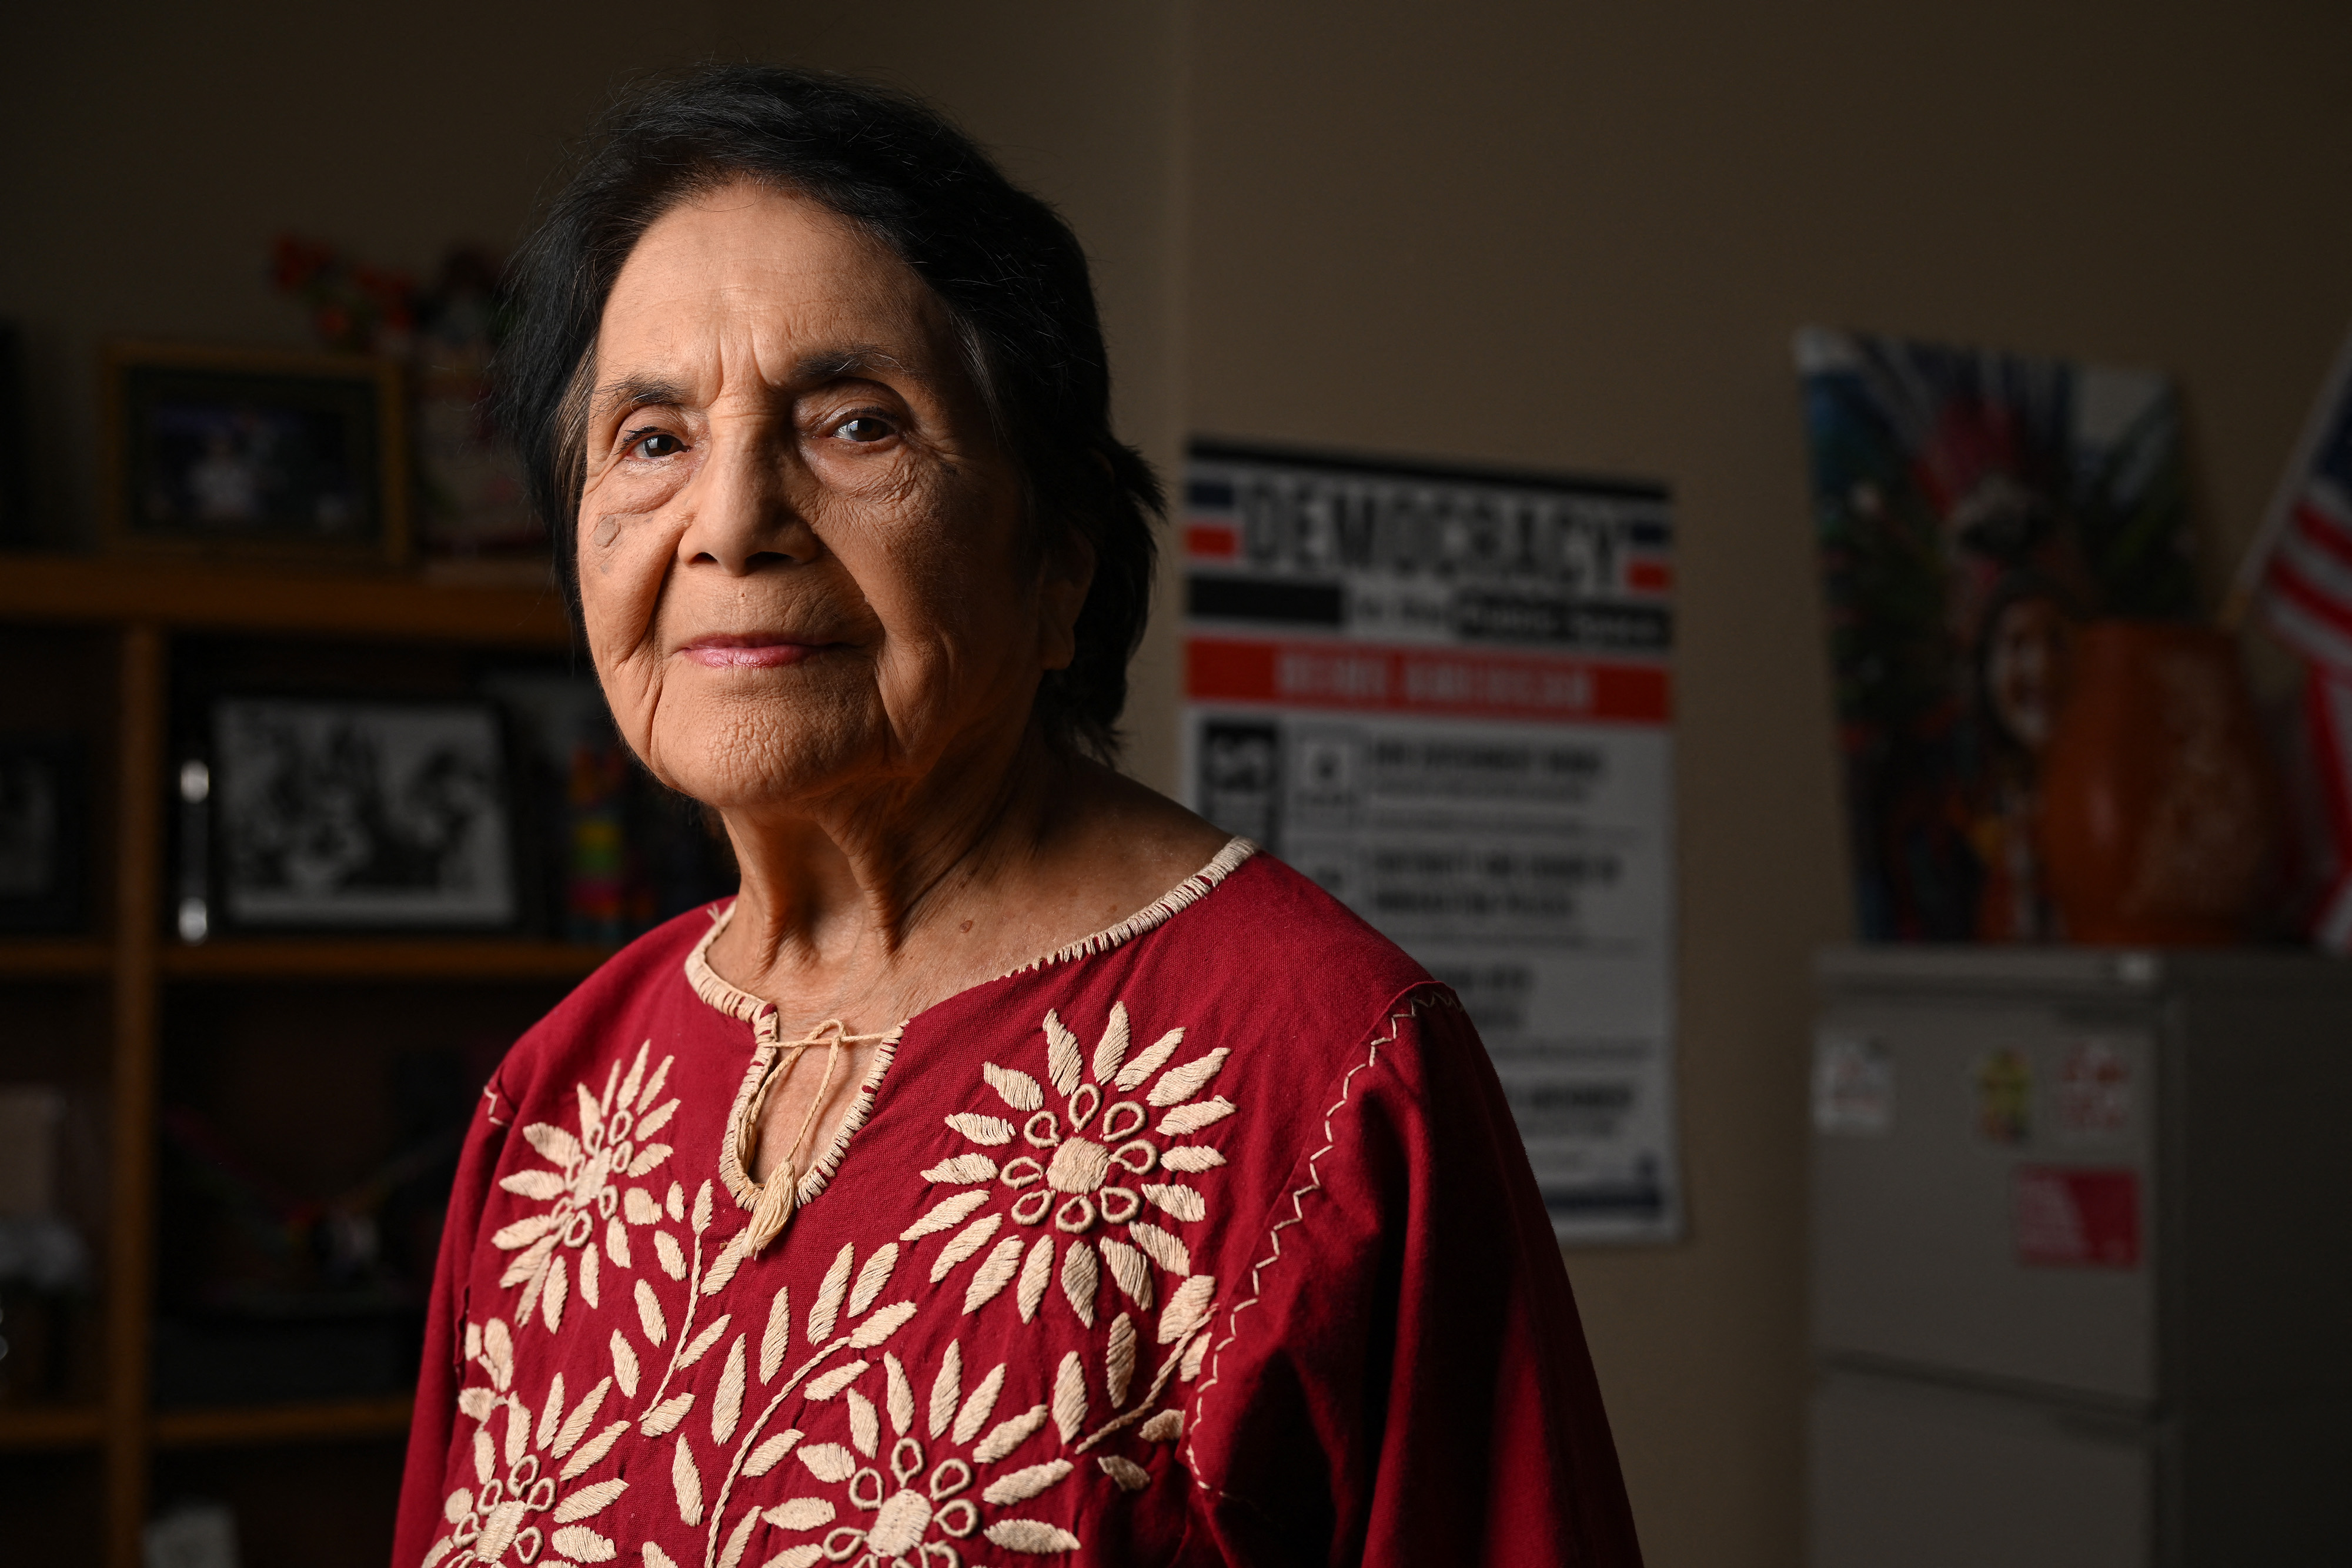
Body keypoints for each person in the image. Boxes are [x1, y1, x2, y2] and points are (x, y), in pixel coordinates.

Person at [393, 64, 1641, 1568]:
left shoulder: (1326, 1071)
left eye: (854, 424)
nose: (729, 520)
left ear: (1057, 562)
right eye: (650, 439)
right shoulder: (557, 1099)